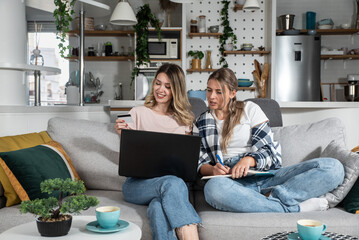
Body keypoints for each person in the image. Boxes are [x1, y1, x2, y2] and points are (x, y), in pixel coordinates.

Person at [195, 67, 345, 213]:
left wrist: (249, 160)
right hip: (231, 182)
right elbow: (199, 162)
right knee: (213, 189)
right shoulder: (202, 121)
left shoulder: (250, 109)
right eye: (209, 90)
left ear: (233, 93)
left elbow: (268, 151)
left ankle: (271, 198)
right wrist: (213, 170)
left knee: (333, 167)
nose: (211, 96)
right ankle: (294, 208)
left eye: (218, 92)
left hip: (266, 176)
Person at [114, 63, 201, 240]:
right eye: (158, 83)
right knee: (172, 183)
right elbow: (129, 155)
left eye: (168, 86)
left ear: (176, 90)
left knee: (157, 207)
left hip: (174, 187)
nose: (160, 89)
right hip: (137, 185)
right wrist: (122, 134)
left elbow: (190, 163)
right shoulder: (135, 113)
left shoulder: (186, 121)